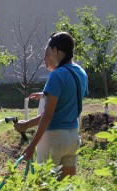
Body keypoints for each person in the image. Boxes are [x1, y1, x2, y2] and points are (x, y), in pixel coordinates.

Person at [14, 31, 88, 180]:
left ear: (55, 50)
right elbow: (70, 95)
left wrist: (31, 145)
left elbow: (49, 115)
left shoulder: (57, 75)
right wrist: (45, 94)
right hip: (73, 137)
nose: (47, 56)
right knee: (66, 190)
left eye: (48, 51)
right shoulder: (80, 72)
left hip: (54, 139)